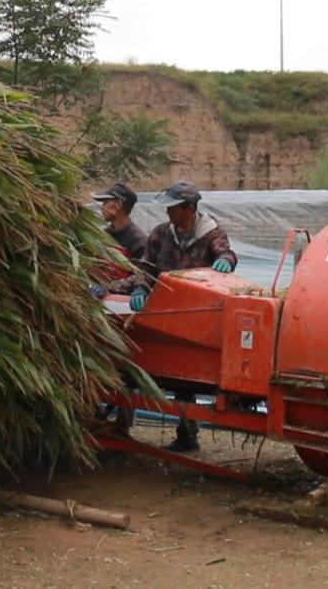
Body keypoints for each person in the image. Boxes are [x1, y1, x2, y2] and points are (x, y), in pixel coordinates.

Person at [122, 179, 237, 452]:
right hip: (162, 314)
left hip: (196, 317)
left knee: (187, 380)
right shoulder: (161, 234)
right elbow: (146, 268)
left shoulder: (211, 233)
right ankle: (121, 427)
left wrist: (226, 262)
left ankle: (187, 435)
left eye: (172, 208)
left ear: (188, 208)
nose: (168, 213)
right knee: (136, 368)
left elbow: (226, 253)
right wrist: (139, 288)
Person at [89, 183, 146, 292]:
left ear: (118, 205)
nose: (102, 208)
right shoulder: (103, 236)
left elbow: (142, 275)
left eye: (106, 203)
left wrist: (109, 287)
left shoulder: (138, 240)